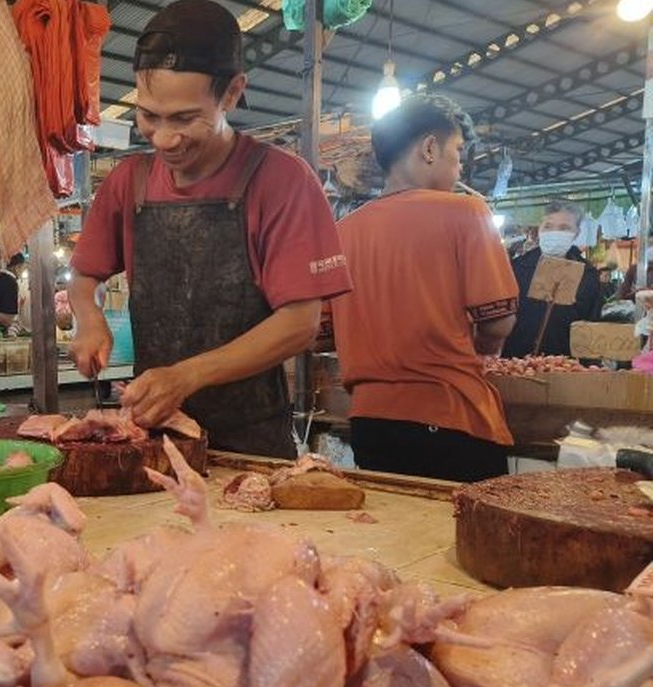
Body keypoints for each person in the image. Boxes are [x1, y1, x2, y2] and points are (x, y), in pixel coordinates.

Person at [67, 0, 352, 459]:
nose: (162, 139)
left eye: (183, 118)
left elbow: (299, 325)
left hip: (250, 445)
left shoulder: (281, 180)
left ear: (233, 93)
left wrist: (186, 376)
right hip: (154, 438)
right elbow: (84, 278)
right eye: (148, 116)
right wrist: (89, 318)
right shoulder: (128, 181)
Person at [324, 94, 518, 482]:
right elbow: (498, 323)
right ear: (430, 148)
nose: (460, 166)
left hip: (369, 424)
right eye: (458, 152)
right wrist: (475, 347)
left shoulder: (341, 233)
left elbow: (323, 334)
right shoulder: (466, 212)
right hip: (450, 418)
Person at [502, 200, 603, 358]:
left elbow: (591, 324)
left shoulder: (588, 275)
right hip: (516, 360)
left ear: (576, 233)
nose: (555, 232)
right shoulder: (516, 268)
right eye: (548, 226)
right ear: (540, 230)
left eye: (564, 228)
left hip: (565, 365)